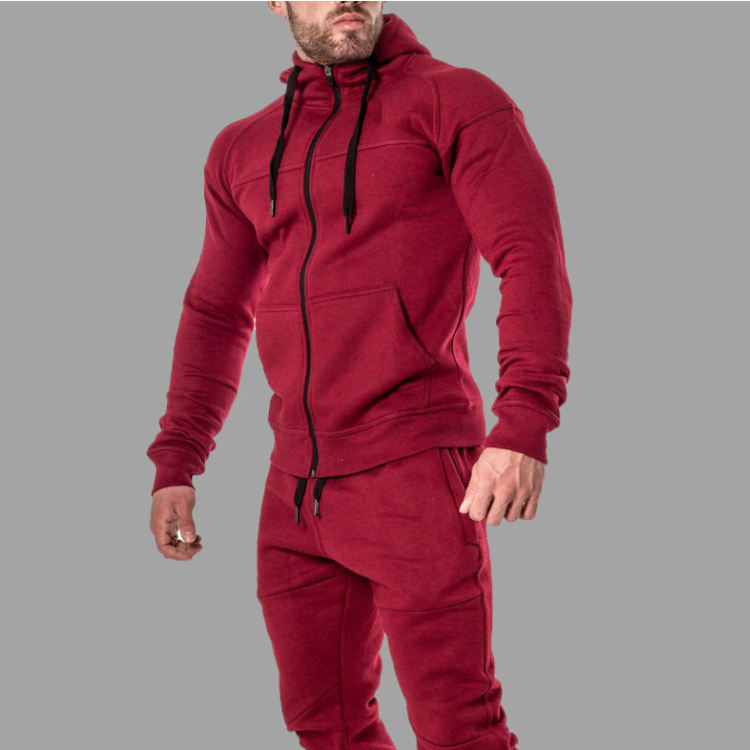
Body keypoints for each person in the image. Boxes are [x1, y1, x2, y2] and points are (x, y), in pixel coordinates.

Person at [145, 2, 572, 748]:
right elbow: (215, 312)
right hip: (293, 490)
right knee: (326, 728)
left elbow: (530, 257)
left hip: (415, 472)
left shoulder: (456, 101)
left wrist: (523, 423)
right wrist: (178, 459)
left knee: (460, 730)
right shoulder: (241, 148)